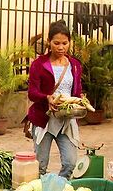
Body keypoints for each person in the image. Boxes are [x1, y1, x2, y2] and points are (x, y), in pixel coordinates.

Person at [24, 21, 83, 179]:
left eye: (65, 43)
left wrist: (81, 99)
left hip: (66, 120)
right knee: (40, 165)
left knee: (70, 163)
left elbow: (77, 91)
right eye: (56, 43)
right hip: (45, 120)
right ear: (49, 42)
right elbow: (32, 93)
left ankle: (59, 189)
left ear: (69, 43)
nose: (61, 47)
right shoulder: (39, 64)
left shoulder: (75, 66)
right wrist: (47, 98)